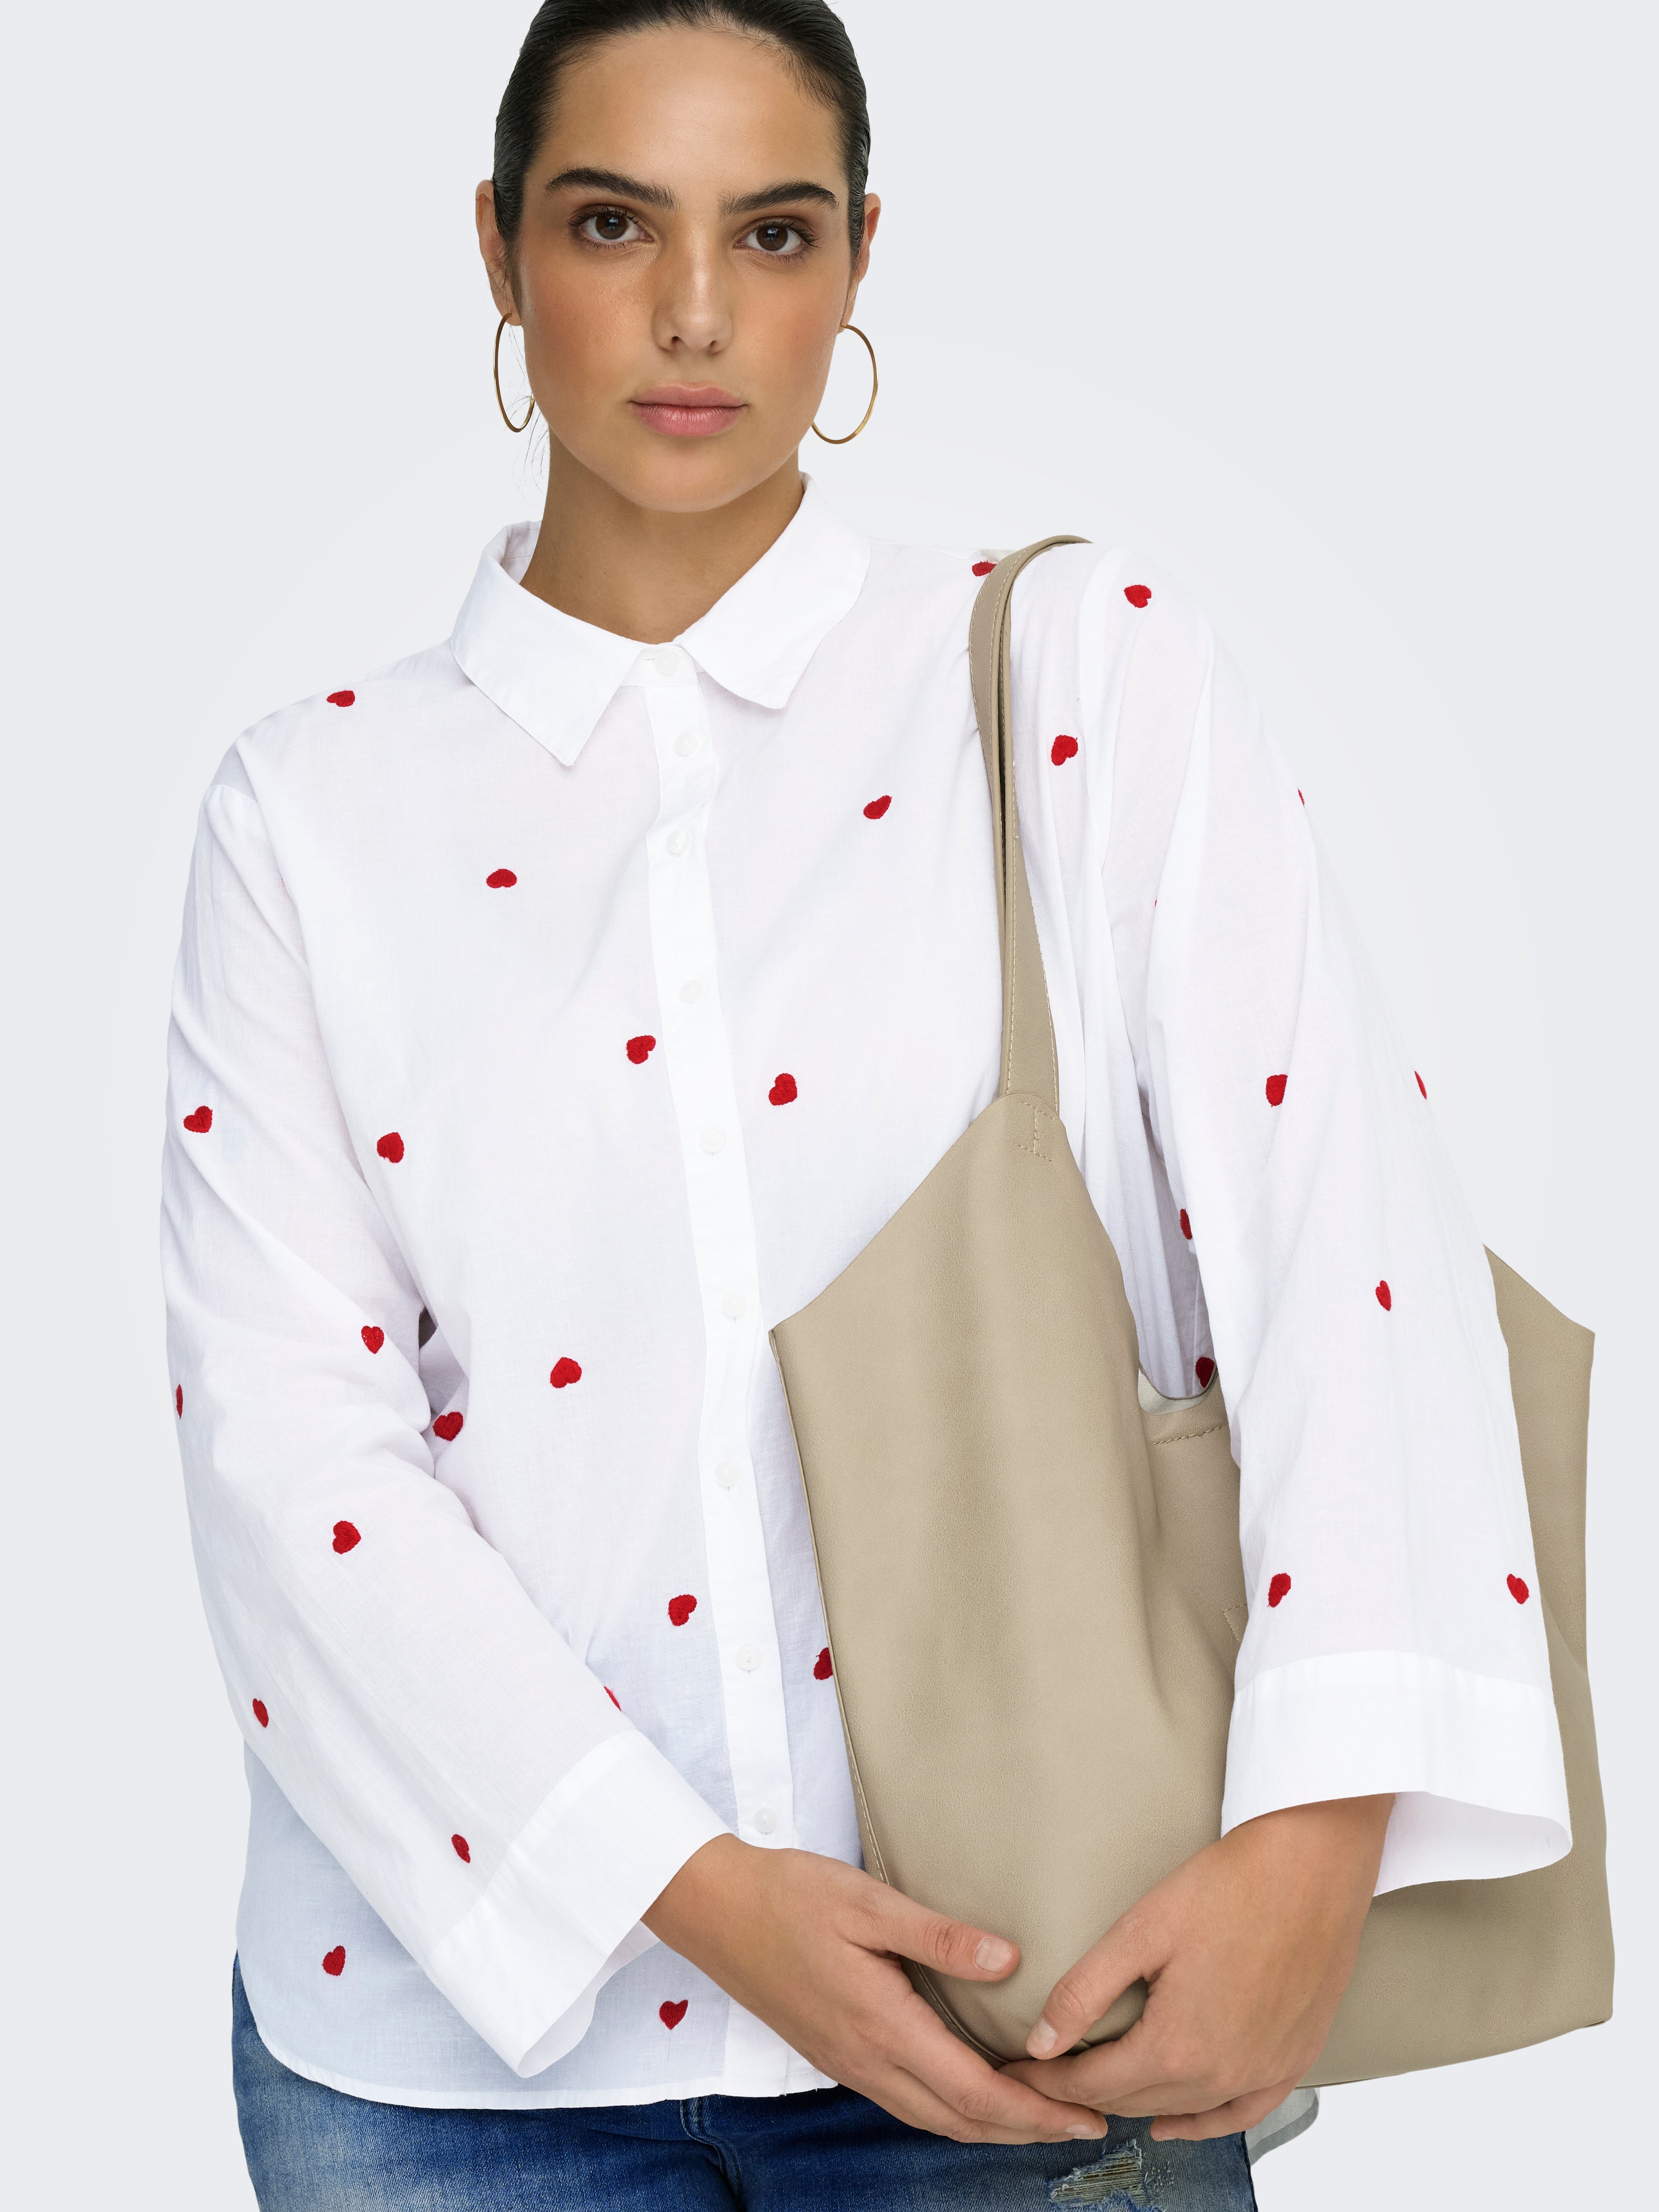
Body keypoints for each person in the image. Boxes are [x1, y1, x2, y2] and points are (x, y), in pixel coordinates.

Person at [162, 3, 1570, 2205]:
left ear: (859, 258)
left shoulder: (1078, 674)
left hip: (1049, 1982)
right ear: (498, 249)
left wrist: (1318, 1839)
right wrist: (693, 1889)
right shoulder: (312, 817)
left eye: (773, 231)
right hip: (445, 2061)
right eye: (611, 224)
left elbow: (1343, 1241)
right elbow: (290, 1451)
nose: (695, 312)